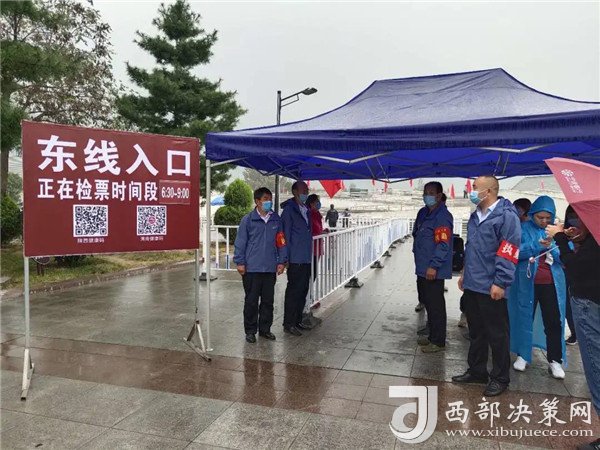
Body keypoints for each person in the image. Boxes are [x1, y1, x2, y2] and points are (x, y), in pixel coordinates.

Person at [453, 175, 521, 397]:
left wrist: (500, 282)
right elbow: (472, 247)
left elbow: (509, 251)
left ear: (489, 191)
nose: (471, 191)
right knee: (476, 332)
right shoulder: (476, 215)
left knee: (497, 334)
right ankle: (477, 370)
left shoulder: (507, 217)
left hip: (492, 286)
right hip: (473, 283)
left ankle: (500, 377)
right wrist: (464, 272)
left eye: (475, 187)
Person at [546, 206, 600, 447]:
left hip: (589, 304)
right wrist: (576, 238)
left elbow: (576, 268)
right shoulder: (592, 237)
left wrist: (559, 237)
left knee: (595, 367)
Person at [508, 196, 567, 379]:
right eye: (540, 217)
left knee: (554, 321)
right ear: (532, 214)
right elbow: (514, 252)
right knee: (524, 317)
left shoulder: (557, 231)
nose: (544, 221)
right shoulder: (522, 228)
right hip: (527, 283)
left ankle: (555, 360)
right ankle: (523, 355)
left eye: (548, 218)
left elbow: (566, 255)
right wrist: (536, 246)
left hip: (551, 284)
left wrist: (554, 246)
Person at [234, 187, 287, 343]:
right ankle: (250, 331)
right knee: (251, 301)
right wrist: (240, 262)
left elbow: (281, 242)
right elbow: (240, 242)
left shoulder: (276, 219)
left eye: (270, 199)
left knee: (268, 301)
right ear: (257, 201)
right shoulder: (248, 220)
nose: (268, 202)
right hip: (252, 268)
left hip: (270, 268)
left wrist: (281, 261)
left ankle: (265, 329)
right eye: (265, 199)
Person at [412, 182, 453, 353]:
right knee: (428, 302)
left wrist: (434, 266)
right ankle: (431, 336)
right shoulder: (424, 212)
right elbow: (416, 233)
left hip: (433, 269)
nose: (426, 196)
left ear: (438, 196)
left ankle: (438, 341)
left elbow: (443, 244)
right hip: (422, 266)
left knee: (436, 306)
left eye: (430, 193)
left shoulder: (442, 216)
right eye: (425, 192)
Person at [281, 181, 312, 336]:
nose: (306, 192)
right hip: (295, 258)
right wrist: (285, 257)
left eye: (307, 190)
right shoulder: (289, 210)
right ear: (294, 192)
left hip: (306, 257)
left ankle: (298, 320)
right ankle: (289, 323)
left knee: (303, 290)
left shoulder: (306, 209)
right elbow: (285, 235)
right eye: (303, 190)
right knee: (293, 291)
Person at [300, 194, 327, 328]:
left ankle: (309, 299)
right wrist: (320, 234)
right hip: (311, 251)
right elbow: (309, 232)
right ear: (311, 203)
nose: (319, 204)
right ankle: (306, 302)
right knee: (310, 276)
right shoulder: (309, 215)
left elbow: (317, 230)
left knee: (314, 275)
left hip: (317, 250)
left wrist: (323, 231)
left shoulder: (317, 215)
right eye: (317, 202)